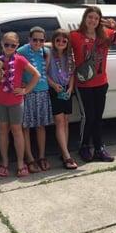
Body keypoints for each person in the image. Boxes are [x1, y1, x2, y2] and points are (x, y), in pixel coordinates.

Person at [70, 6, 116, 162]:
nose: (92, 20)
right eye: (90, 17)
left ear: (99, 21)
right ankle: (84, 147)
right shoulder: (75, 36)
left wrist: (114, 26)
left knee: (98, 117)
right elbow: (57, 44)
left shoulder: (105, 35)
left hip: (101, 83)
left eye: (96, 18)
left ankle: (99, 148)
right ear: (84, 18)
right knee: (88, 117)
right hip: (83, 85)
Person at [0, 32, 40, 178]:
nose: (10, 47)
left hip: (16, 102)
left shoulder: (20, 60)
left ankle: (20, 163)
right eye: (7, 44)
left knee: (17, 131)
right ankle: (4, 162)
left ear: (17, 46)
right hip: (0, 101)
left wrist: (25, 90)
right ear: (2, 44)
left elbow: (36, 74)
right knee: (3, 130)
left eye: (13, 45)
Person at [17, 26, 53, 172]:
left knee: (41, 126)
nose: (38, 43)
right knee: (26, 127)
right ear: (29, 40)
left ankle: (42, 156)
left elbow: (45, 70)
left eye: (41, 40)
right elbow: (15, 65)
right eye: (35, 40)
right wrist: (22, 84)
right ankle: (30, 158)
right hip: (28, 94)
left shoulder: (46, 51)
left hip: (43, 92)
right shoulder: (22, 51)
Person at [47, 29, 78, 170]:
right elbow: (43, 73)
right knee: (59, 122)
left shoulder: (70, 56)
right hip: (55, 90)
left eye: (64, 41)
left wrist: (71, 88)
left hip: (67, 90)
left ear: (68, 43)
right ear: (53, 41)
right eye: (57, 40)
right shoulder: (49, 55)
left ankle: (63, 150)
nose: (61, 43)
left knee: (66, 121)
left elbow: (71, 74)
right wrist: (53, 85)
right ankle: (66, 156)